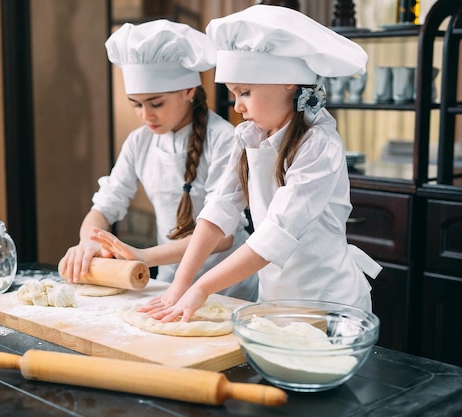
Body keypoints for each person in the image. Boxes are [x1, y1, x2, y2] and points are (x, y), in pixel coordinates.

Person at [143, 5, 382, 322]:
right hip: (275, 303)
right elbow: (218, 212)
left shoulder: (319, 146)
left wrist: (201, 288)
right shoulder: (248, 137)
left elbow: (275, 235)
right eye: (233, 94)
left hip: (330, 307)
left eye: (245, 92)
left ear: (288, 82)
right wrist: (180, 284)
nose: (238, 106)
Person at [58, 19, 258, 301]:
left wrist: (143, 256)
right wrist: (87, 243)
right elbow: (105, 206)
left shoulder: (225, 139)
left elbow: (222, 236)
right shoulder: (139, 141)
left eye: (156, 103)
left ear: (189, 91)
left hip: (229, 288)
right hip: (169, 284)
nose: (145, 115)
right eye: (136, 104)